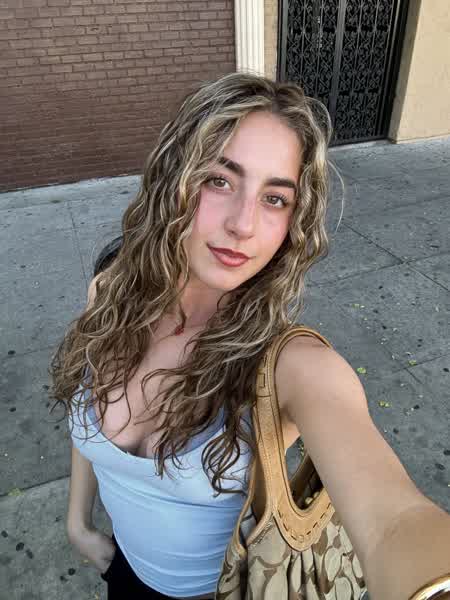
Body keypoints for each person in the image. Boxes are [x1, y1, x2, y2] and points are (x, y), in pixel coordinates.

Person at [49, 72, 450, 600]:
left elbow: (393, 522)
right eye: (219, 180)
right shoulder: (111, 291)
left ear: (294, 221)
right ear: (173, 179)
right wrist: (79, 525)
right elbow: (87, 419)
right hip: (123, 574)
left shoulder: (292, 368)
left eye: (275, 198)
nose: (243, 224)